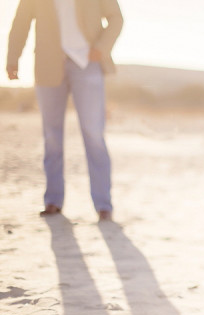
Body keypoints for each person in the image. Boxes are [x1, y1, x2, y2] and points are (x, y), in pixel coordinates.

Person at [6, 0, 123, 221]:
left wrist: (101, 47)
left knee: (94, 134)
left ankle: (103, 204)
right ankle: (53, 200)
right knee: (51, 135)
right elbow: (21, 21)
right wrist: (13, 58)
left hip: (88, 64)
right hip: (47, 63)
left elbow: (116, 18)